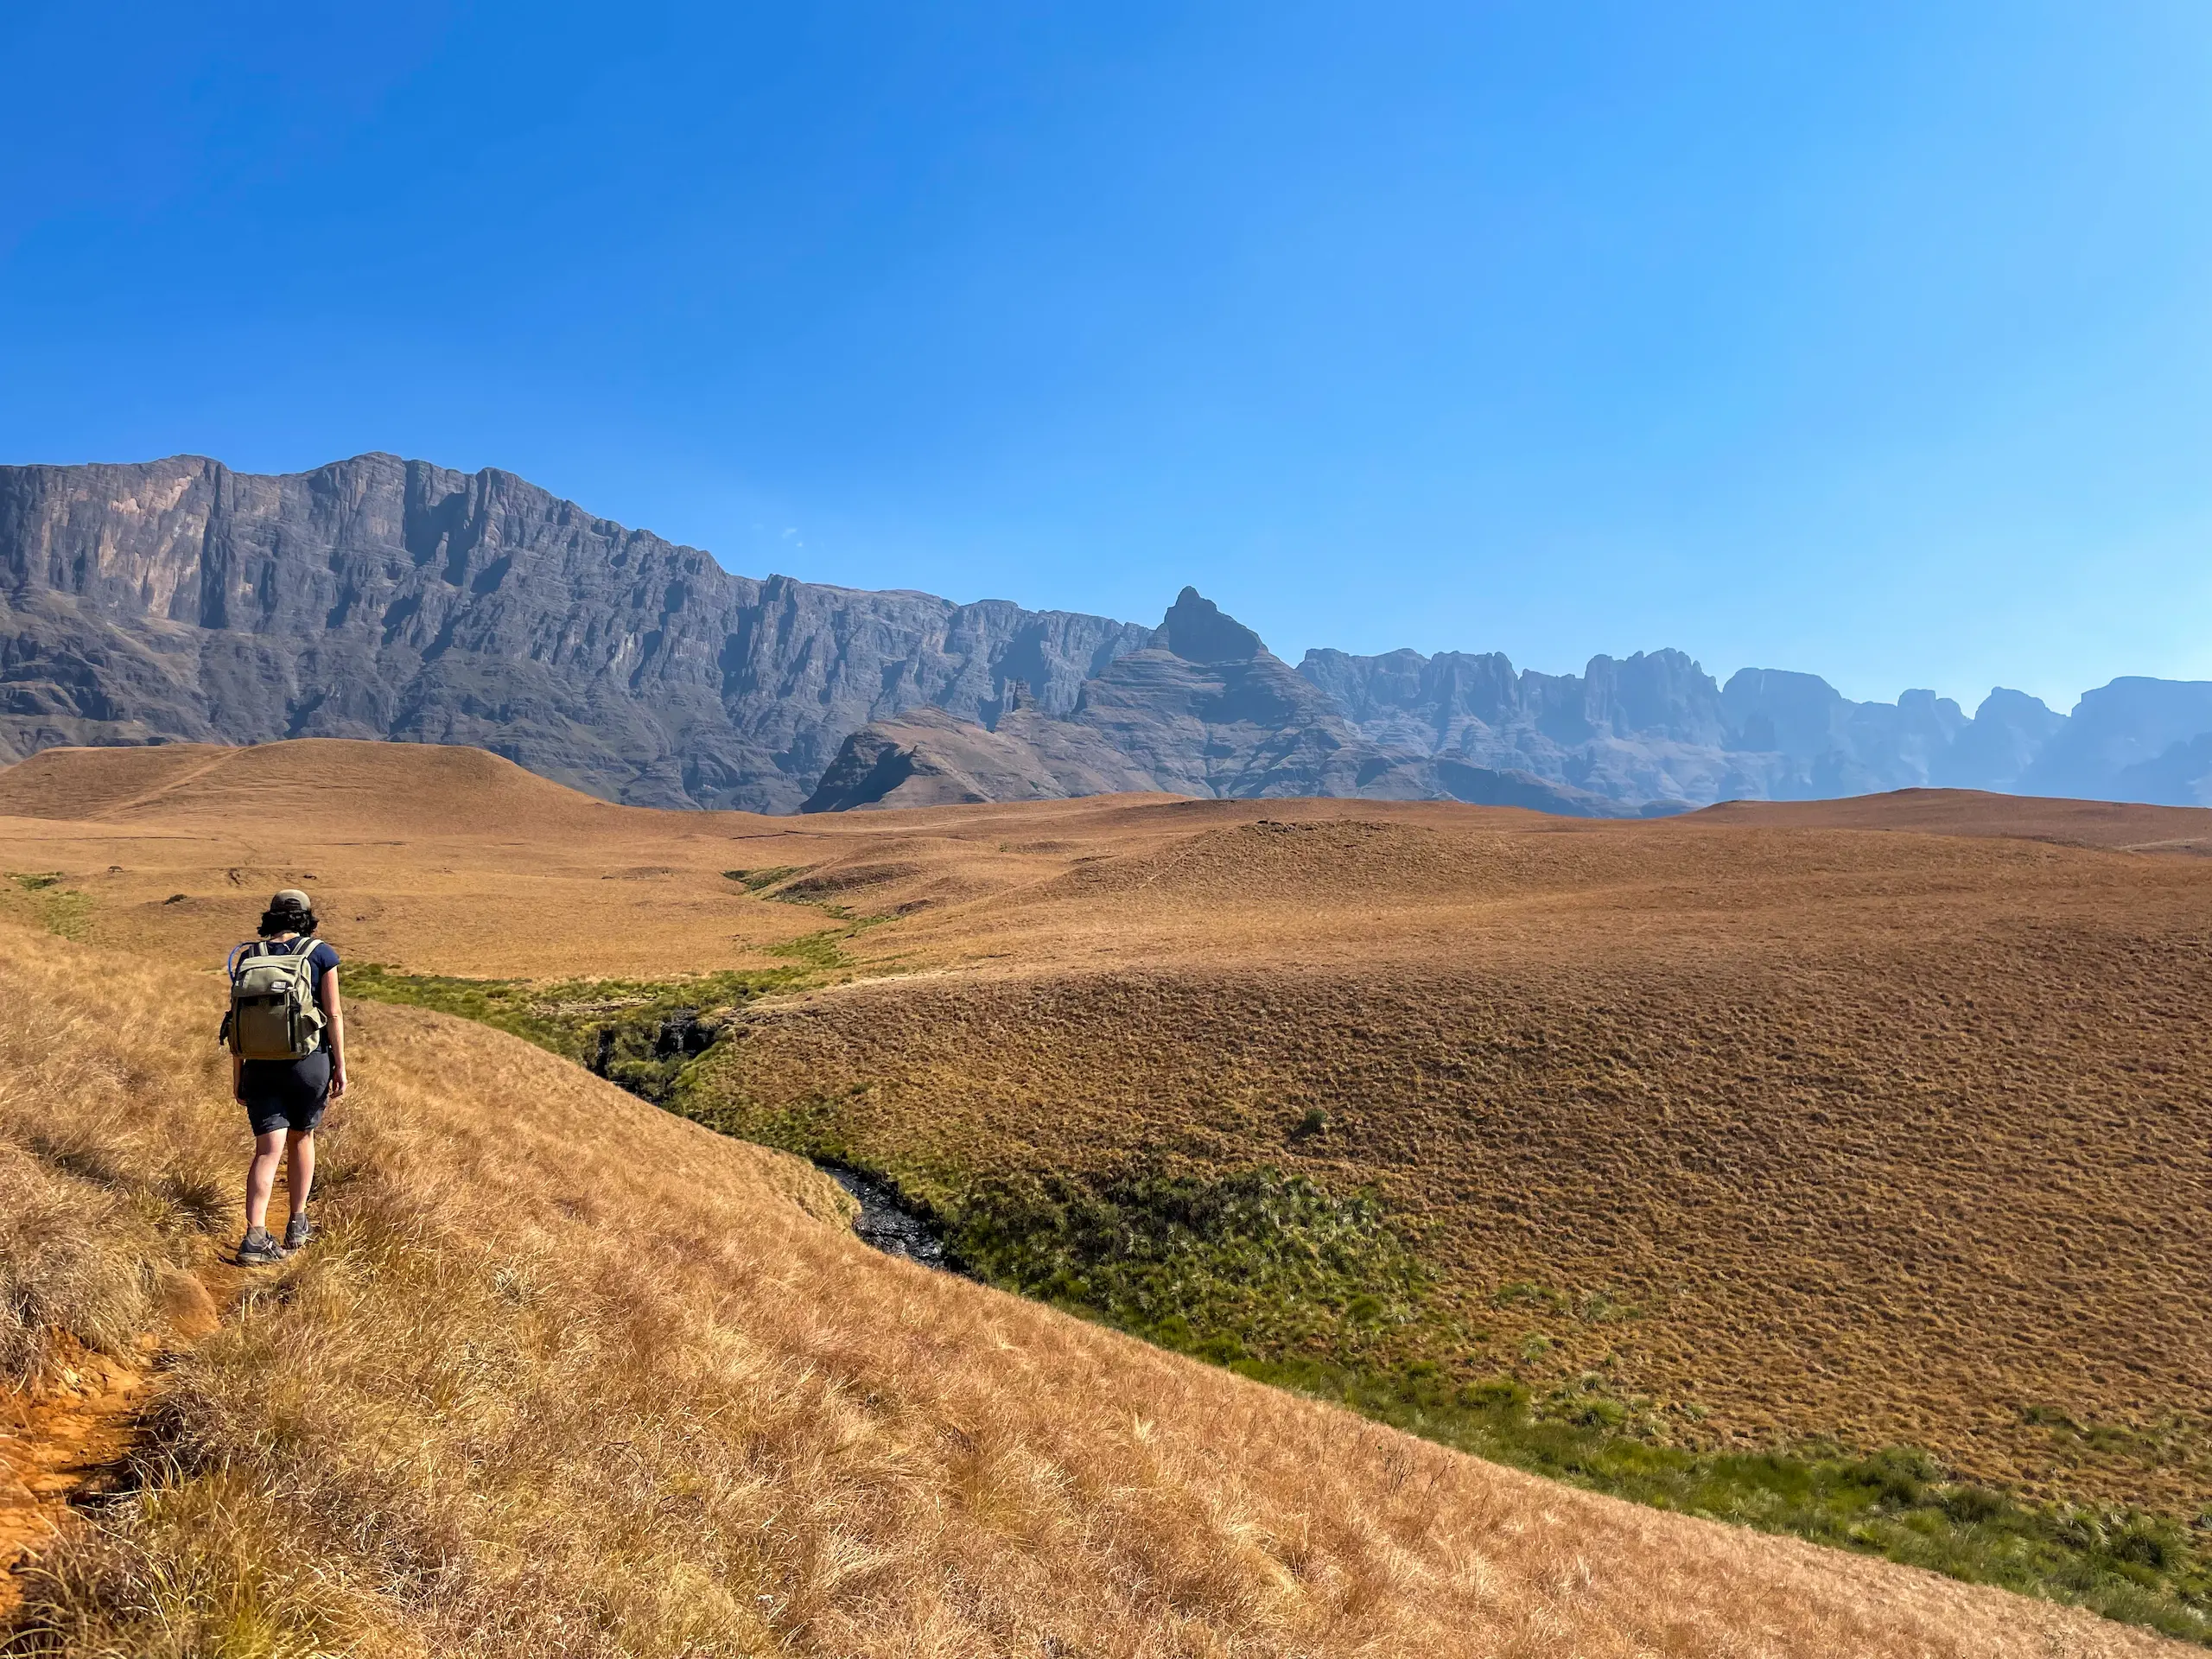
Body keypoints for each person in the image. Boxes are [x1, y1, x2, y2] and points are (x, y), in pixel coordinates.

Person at [230, 889, 346, 1266]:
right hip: (308, 1064)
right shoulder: (320, 954)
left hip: (259, 1065)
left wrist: (238, 1076)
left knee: (267, 1151)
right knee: (302, 1138)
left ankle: (255, 1237)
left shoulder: (251, 956)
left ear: (272, 917)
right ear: (307, 918)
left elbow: (236, 1023)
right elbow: (335, 1015)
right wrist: (340, 1067)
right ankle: (298, 1223)